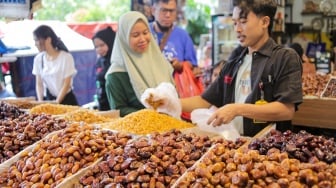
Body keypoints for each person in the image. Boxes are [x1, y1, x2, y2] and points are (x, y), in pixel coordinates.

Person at [143, 0, 303, 137]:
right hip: (235, 145)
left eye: (243, 21)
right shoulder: (236, 59)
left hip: (269, 149)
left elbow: (286, 109)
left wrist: (237, 109)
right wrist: (170, 102)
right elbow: (205, 100)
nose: (237, 29)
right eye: (234, 23)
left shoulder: (284, 57)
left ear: (265, 22)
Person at [105, 11, 175, 117]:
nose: (142, 39)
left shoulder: (160, 63)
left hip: (174, 128)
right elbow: (118, 110)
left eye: (146, 32)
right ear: (124, 38)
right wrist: (152, 115)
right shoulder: (116, 75)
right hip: (140, 131)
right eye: (135, 35)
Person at [150, 0, 202, 77]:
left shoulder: (183, 35)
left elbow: (193, 65)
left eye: (171, 11)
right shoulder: (144, 32)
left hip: (175, 86)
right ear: (153, 10)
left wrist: (181, 65)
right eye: (164, 10)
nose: (168, 15)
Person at [32, 25, 78, 105]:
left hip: (67, 100)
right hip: (50, 99)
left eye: (37, 40)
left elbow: (66, 84)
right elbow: (39, 83)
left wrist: (57, 102)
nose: (36, 44)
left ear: (48, 40)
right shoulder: (38, 59)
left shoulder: (66, 57)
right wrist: (40, 102)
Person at [92, 26, 116, 111]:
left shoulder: (117, 61)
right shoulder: (100, 60)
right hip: (102, 103)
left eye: (102, 45)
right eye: (96, 47)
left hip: (114, 105)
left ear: (110, 42)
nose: (99, 49)